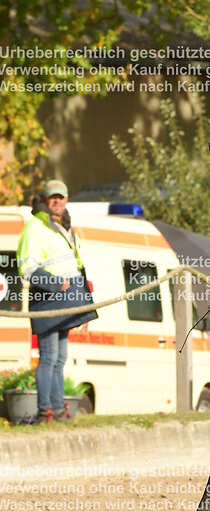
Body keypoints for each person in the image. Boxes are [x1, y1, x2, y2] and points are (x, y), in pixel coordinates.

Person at [17, 180, 97, 422]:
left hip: (67, 301)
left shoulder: (65, 226)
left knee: (59, 358)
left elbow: (77, 267)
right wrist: (56, 284)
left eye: (60, 197)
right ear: (45, 199)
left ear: (66, 199)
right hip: (47, 301)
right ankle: (46, 411)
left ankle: (58, 409)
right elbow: (26, 267)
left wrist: (84, 305)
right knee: (49, 356)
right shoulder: (34, 227)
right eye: (52, 197)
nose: (57, 201)